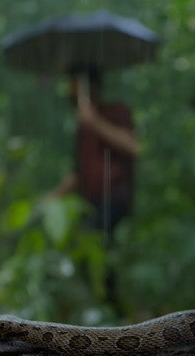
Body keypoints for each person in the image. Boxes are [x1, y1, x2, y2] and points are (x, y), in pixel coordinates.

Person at [47, 65, 139, 237]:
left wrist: (95, 121)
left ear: (90, 88)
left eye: (74, 86)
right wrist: (53, 197)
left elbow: (133, 146)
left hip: (114, 201)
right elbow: (79, 173)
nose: (70, 93)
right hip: (89, 204)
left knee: (96, 239)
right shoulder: (83, 130)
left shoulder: (116, 112)